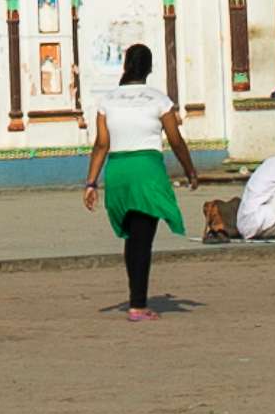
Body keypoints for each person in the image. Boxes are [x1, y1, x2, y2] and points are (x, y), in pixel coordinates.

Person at [82, 42, 192, 314]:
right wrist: (190, 170)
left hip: (118, 171)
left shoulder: (107, 101)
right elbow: (176, 141)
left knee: (133, 238)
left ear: (125, 66)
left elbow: (101, 145)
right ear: (150, 69)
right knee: (143, 239)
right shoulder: (159, 99)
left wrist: (91, 183)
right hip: (147, 170)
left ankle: (136, 300)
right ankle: (138, 305)